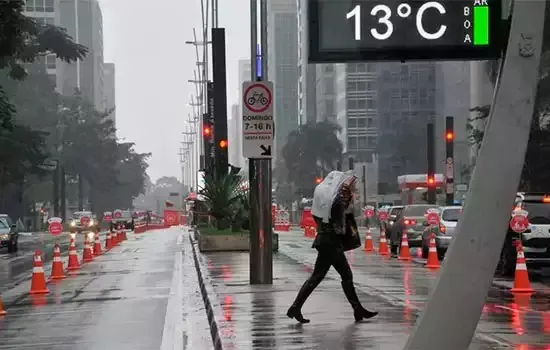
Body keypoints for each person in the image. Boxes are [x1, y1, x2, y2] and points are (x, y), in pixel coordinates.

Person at [286, 171, 378, 323]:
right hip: (332, 243)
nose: (353, 187)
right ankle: (357, 310)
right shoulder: (337, 202)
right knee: (344, 276)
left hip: (324, 241)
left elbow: (320, 219)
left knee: (319, 276)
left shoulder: (324, 204)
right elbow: (341, 226)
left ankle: (296, 308)